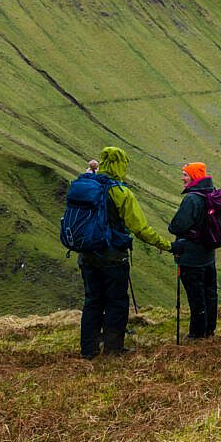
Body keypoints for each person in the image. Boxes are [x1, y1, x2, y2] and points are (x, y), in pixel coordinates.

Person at [78, 147, 171, 358]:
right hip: (113, 258)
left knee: (92, 301)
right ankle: (113, 349)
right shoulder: (121, 193)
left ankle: (88, 350)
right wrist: (166, 245)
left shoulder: (86, 186)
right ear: (121, 165)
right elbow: (140, 229)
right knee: (116, 302)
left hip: (87, 255)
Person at [167, 162, 220, 339]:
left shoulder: (191, 199)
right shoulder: (211, 194)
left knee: (196, 296)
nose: (182, 178)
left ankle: (197, 334)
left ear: (194, 177)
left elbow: (176, 226)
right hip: (208, 254)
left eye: (185, 175)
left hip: (191, 257)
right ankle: (209, 330)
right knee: (210, 293)